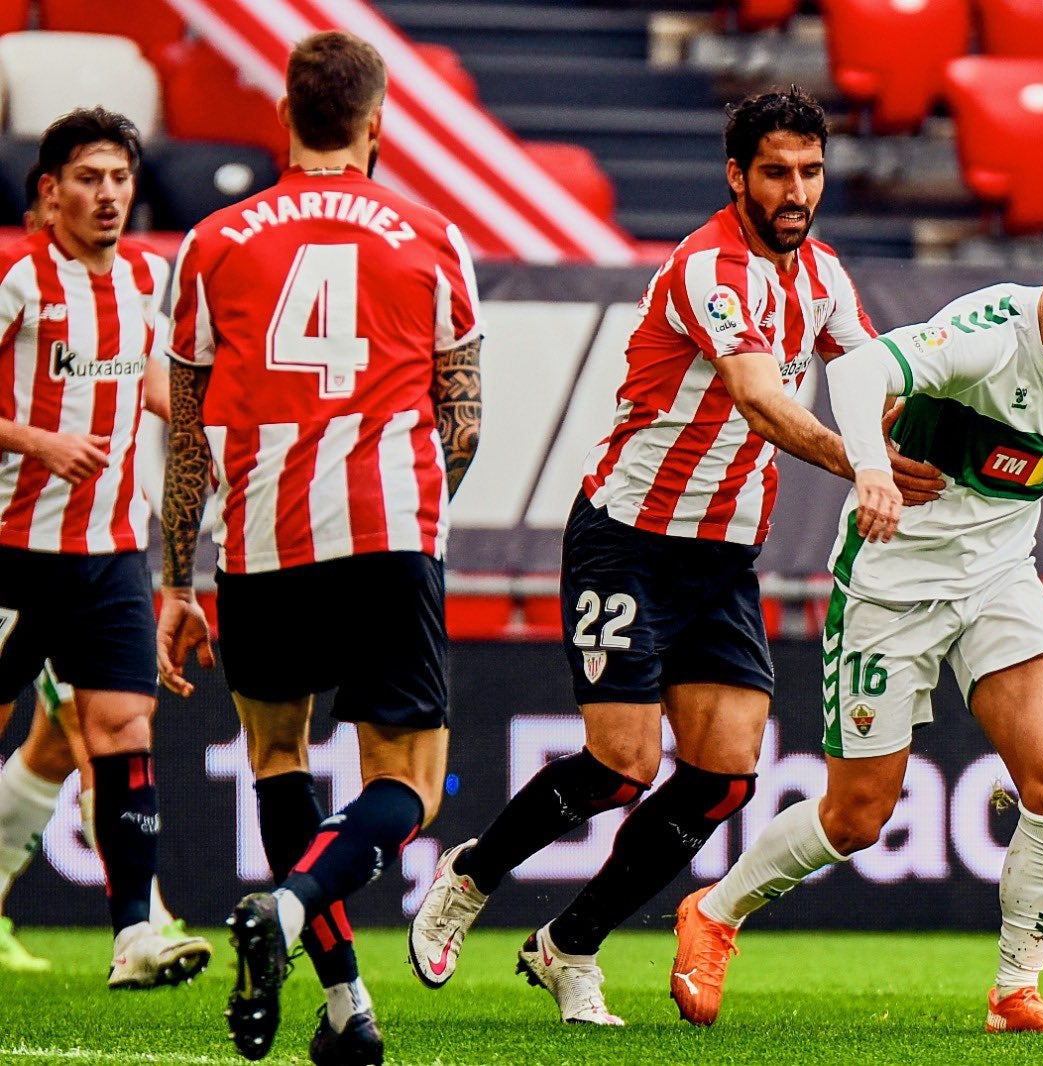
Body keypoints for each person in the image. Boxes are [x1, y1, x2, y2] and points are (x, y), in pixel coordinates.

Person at [405, 85, 942, 1026]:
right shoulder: (709, 269)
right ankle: (472, 874)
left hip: (725, 555)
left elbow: (873, 379)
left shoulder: (822, 276)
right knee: (621, 764)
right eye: (776, 171)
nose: (796, 190)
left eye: (811, 171)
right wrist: (863, 463)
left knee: (727, 773)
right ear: (737, 176)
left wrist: (930, 425)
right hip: (630, 539)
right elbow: (760, 401)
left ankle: (570, 944)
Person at [669, 212, 1043, 1033]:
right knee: (857, 817)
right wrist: (869, 469)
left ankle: (1016, 992)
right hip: (893, 584)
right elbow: (862, 370)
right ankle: (715, 912)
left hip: (998, 583)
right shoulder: (987, 336)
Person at [157, 29, 482, 1065]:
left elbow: (183, 436)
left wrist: (177, 581)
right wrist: (425, 510)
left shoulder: (211, 242)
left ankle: (345, 1008)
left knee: (278, 758)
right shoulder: (431, 235)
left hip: (260, 540)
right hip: (386, 529)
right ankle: (293, 907)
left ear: (284, 118)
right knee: (410, 785)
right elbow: (462, 420)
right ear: (378, 119)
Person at [0, 108, 212, 990]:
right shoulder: (18, 281)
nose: (109, 195)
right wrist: (34, 441)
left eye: (121, 179)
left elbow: (151, 383)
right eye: (89, 179)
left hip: (111, 556)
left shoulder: (146, 279)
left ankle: (133, 937)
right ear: (49, 194)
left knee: (123, 728)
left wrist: (220, 423)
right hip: (10, 547)